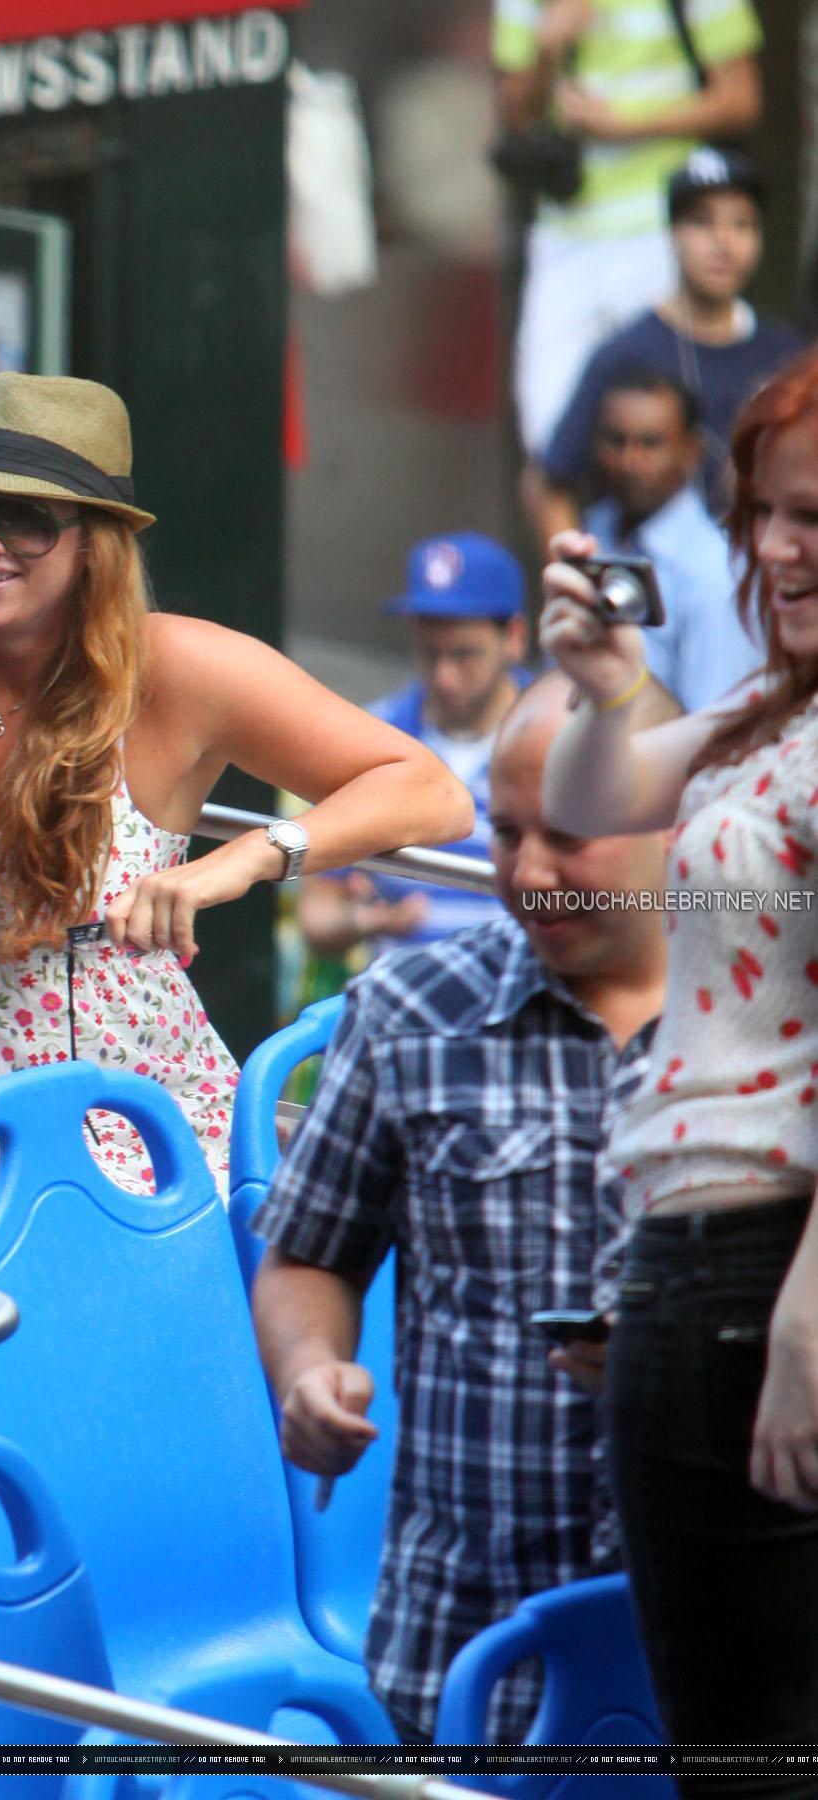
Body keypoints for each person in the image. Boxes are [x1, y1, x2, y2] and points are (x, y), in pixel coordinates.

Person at [0, 373, 471, 1260]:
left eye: (26, 520)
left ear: (95, 544)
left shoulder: (174, 668)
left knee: (240, 1270)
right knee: (1, 1275)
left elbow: (432, 791)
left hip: (130, 1077)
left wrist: (245, 857)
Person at [253, 673, 678, 1745]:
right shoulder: (409, 1015)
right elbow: (310, 1255)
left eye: (570, 837)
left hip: (719, 1642)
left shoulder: (772, 1026)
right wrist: (310, 1375)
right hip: (469, 1646)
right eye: (508, 834)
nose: (529, 874)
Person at [539, 349, 818, 1774]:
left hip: (762, 1270)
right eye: (762, 513)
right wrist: (604, 687)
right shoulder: (773, 710)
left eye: (812, 517)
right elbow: (590, 798)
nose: (777, 548)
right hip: (705, 1272)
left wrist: (808, 1314)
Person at [496, 0, 764, 460]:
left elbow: (741, 100)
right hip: (564, 233)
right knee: (549, 443)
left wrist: (624, 126)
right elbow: (516, 116)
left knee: (669, 432)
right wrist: (547, 48)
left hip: (661, 232)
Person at [533, 146, 805, 536]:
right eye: (702, 222)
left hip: (765, 563)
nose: (723, 242)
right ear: (672, 232)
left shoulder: (790, 356)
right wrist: (578, 565)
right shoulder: (622, 353)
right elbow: (549, 481)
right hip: (646, 567)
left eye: (741, 224)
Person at [298, 533, 534, 966]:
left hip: (527, 992)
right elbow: (316, 914)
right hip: (404, 995)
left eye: (464, 654)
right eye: (429, 652)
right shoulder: (368, 737)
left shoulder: (559, 737)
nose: (444, 676)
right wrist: (366, 921)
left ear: (515, 637)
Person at [580, 371, 762, 708]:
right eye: (616, 441)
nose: (630, 461)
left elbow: (714, 718)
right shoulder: (594, 532)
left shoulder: (713, 571)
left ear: (691, 451)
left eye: (650, 443)